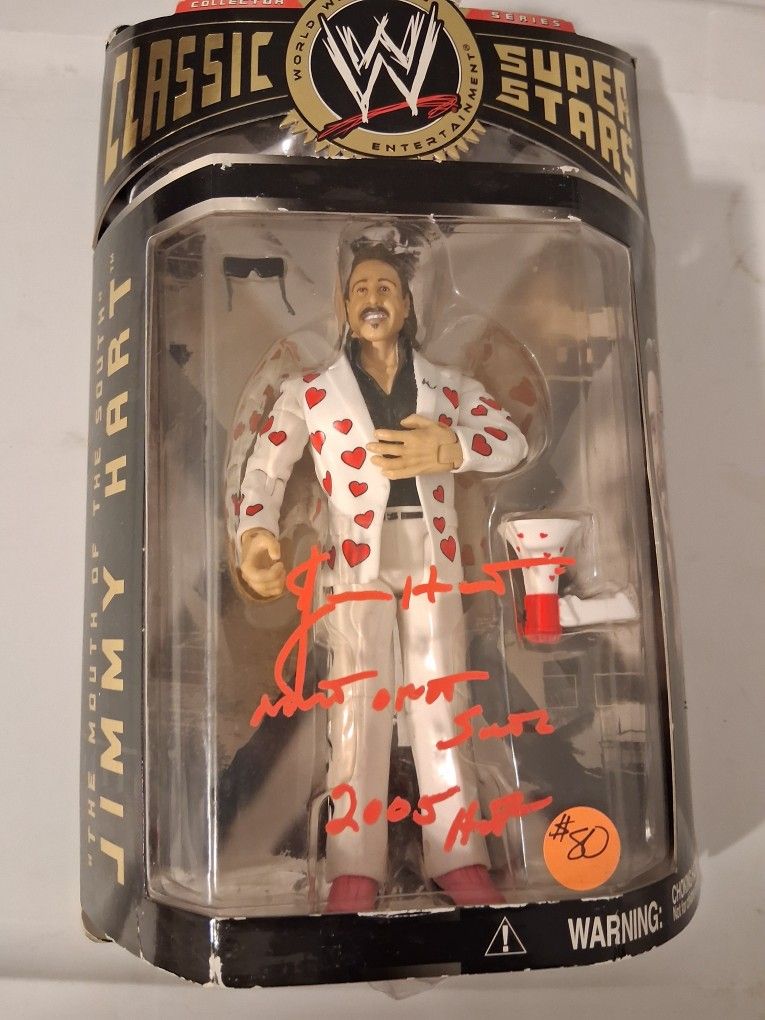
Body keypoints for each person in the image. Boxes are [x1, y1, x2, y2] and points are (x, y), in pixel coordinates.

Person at [236, 241, 528, 912]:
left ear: (407, 304)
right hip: (354, 561)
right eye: (362, 288)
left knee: (441, 703)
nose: (374, 299)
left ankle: (459, 854)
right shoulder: (310, 392)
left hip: (431, 554)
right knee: (358, 711)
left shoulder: (447, 386)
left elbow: (510, 440)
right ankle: (352, 865)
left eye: (387, 288)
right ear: (344, 305)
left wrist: (452, 447)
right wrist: (255, 535)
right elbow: (266, 469)